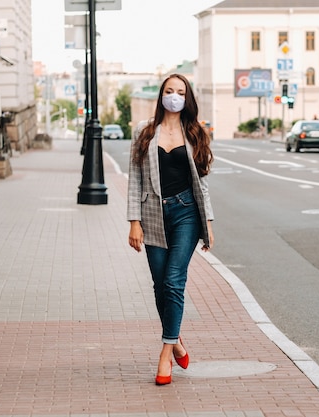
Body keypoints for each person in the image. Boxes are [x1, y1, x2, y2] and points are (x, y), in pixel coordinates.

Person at [127, 74, 214, 386]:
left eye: (180, 92)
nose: (174, 96)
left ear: (186, 97)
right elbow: (135, 178)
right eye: (169, 91)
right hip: (152, 213)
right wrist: (134, 221)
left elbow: (202, 182)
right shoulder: (144, 131)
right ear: (161, 95)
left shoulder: (195, 132)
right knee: (160, 284)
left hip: (186, 213)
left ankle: (164, 355)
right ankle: (175, 340)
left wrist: (209, 223)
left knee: (174, 281)